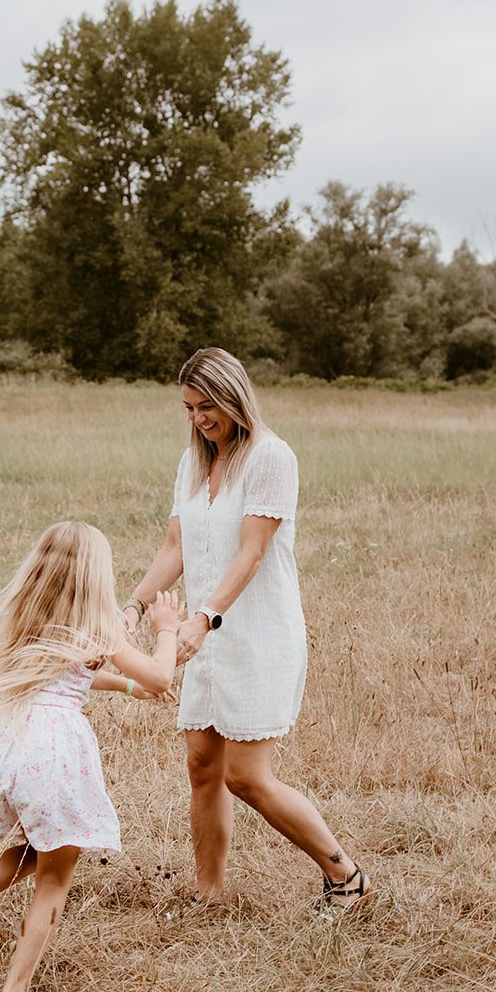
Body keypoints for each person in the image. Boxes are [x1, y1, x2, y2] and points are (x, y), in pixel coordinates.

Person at [123, 348, 373, 916]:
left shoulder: (271, 456)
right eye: (188, 408)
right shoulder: (193, 463)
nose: (198, 419)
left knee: (245, 776)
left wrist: (204, 618)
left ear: (234, 396)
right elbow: (175, 547)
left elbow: (251, 553)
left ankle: (346, 876)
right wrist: (132, 610)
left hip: (255, 632)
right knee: (203, 766)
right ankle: (207, 893)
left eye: (207, 406)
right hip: (203, 635)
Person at [0, 521, 183, 992]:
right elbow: (160, 672)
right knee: (55, 876)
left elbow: (72, 673)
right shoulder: (98, 620)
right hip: (54, 750)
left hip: (10, 739)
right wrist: (168, 632)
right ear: (96, 573)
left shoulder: (30, 611)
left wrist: (128, 689)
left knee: (34, 843)